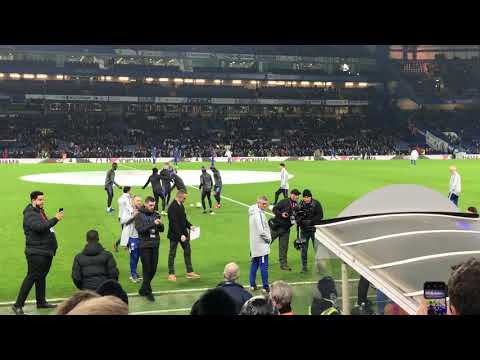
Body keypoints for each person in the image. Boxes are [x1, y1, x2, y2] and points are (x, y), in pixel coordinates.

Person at [12, 191, 64, 315]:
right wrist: (55, 219)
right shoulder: (30, 214)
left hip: (44, 250)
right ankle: (17, 305)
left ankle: (41, 302)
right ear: (33, 200)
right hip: (36, 252)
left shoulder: (38, 211)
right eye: (40, 200)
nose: (42, 202)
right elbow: (40, 227)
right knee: (31, 277)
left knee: (41, 277)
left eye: (43, 200)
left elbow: (45, 227)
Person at [135, 196, 165, 302]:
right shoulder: (139, 215)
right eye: (151, 205)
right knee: (147, 269)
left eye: (154, 205)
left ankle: (144, 288)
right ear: (146, 204)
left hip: (155, 245)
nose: (153, 207)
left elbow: (162, 230)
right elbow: (140, 229)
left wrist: (160, 224)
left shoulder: (156, 214)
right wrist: (153, 223)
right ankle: (148, 291)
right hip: (144, 246)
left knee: (153, 269)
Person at [167, 190, 200, 281]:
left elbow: (183, 219)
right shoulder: (172, 207)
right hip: (175, 235)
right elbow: (173, 223)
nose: (185, 199)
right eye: (184, 198)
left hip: (183, 234)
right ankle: (171, 273)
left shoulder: (181, 205)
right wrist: (180, 235)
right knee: (172, 254)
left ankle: (189, 272)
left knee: (187, 251)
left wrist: (190, 226)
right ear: (179, 196)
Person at [270, 189, 301, 271]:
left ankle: (283, 265)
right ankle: (256, 258)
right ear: (291, 194)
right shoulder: (284, 201)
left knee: (284, 248)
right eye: (294, 195)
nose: (295, 196)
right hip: (276, 227)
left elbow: (296, 217)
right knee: (266, 243)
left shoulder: (297, 206)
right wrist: (281, 214)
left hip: (286, 229)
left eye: (297, 195)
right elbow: (274, 209)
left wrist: (295, 220)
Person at [297, 189, 324, 273]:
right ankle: (304, 267)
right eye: (304, 197)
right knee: (303, 250)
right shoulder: (300, 204)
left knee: (317, 249)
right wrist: (301, 221)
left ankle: (320, 267)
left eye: (307, 197)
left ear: (310, 197)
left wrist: (311, 221)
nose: (306, 199)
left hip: (314, 230)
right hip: (303, 231)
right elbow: (296, 216)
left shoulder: (316, 204)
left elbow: (320, 215)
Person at [248, 196, 272, 293]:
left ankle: (252, 285)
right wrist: (269, 239)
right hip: (261, 245)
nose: (265, 206)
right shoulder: (259, 215)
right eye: (263, 204)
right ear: (258, 203)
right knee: (263, 266)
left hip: (254, 244)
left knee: (254, 264)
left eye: (266, 204)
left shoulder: (252, 213)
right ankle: (265, 287)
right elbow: (261, 231)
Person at [120, 195, 142, 283]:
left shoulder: (141, 210)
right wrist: (133, 216)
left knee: (138, 256)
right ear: (133, 201)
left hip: (140, 237)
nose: (139, 202)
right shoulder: (128, 210)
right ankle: (133, 275)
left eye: (140, 201)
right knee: (134, 256)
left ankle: (135, 272)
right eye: (137, 201)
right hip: (132, 237)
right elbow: (122, 221)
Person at [114, 186, 132, 252]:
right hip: (127, 217)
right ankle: (117, 244)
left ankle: (127, 246)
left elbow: (121, 208)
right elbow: (129, 207)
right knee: (127, 232)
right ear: (128, 191)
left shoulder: (120, 198)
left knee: (126, 231)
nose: (131, 192)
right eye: (130, 190)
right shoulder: (127, 198)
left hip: (121, 217)